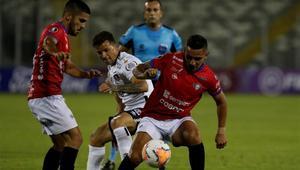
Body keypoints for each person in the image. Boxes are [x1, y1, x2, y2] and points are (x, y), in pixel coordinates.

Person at [118, 34, 228, 170]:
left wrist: (221, 131)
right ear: (185, 52)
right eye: (189, 57)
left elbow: (221, 102)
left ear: (206, 55)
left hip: (179, 120)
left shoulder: (209, 78)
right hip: (152, 117)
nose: (192, 62)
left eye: (197, 59)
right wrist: (144, 75)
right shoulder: (171, 58)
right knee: (135, 156)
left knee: (193, 135)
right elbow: (138, 70)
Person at [102, 1, 182, 168]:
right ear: (144, 13)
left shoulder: (171, 35)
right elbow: (118, 54)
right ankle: (112, 158)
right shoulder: (134, 32)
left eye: (155, 10)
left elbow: (179, 61)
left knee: (160, 125)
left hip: (161, 88)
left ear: (161, 13)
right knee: (119, 118)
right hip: (136, 85)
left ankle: (160, 162)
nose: (152, 13)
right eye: (148, 10)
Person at [27, 1, 101, 170]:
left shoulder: (64, 37)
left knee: (60, 145)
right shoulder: (56, 30)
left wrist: (86, 74)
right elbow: (48, 42)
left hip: (41, 96)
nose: (83, 26)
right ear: (69, 17)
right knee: (76, 138)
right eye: (81, 21)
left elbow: (68, 66)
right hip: (47, 96)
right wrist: (55, 51)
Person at [86, 31, 153, 170]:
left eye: (106, 50)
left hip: (147, 109)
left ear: (115, 46)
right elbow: (120, 98)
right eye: (99, 53)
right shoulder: (112, 67)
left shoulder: (129, 63)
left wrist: (114, 86)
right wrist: (118, 114)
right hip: (130, 112)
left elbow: (143, 86)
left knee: (118, 124)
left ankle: (125, 167)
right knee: (95, 139)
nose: (103, 55)